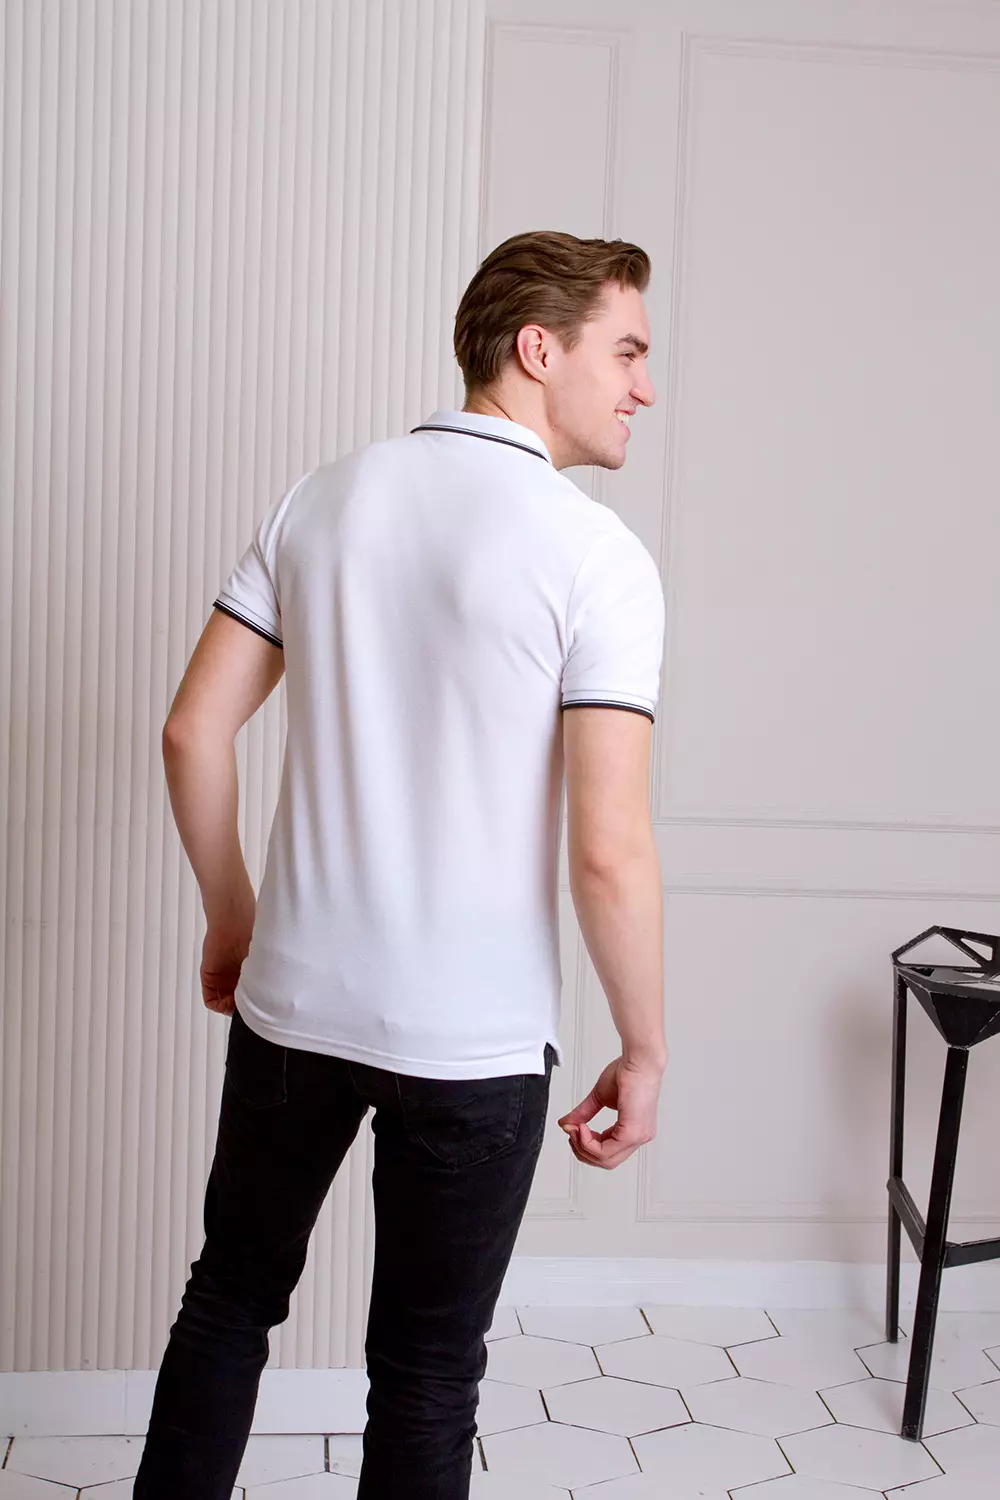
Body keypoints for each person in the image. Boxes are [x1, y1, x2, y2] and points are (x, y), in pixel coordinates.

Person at [134, 230, 668, 1500]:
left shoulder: (323, 497)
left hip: (293, 1001)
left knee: (228, 1301)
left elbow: (192, 732)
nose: (643, 387)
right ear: (538, 349)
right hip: (473, 1043)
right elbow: (606, 852)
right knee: (427, 1377)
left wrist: (234, 921)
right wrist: (644, 1048)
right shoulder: (596, 556)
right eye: (627, 352)